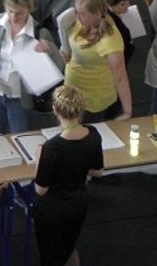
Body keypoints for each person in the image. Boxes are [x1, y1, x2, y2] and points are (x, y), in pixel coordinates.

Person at [32, 85, 104, 266]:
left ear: (55, 110)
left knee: (51, 253)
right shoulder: (93, 135)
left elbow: (40, 189)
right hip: (78, 203)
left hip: (53, 210)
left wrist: (38, 161)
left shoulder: (50, 148)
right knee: (69, 246)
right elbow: (98, 171)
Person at [0, 0, 58, 134]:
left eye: (19, 13)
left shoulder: (40, 33)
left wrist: (49, 49)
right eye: (10, 11)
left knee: (20, 140)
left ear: (29, 9)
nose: (13, 17)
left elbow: (60, 65)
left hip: (21, 99)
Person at [58, 0, 133, 121]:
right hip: (70, 92)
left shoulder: (110, 41)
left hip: (92, 102)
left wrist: (127, 111)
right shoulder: (81, 20)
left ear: (98, 14)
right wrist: (64, 49)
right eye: (76, 11)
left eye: (82, 14)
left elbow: (120, 77)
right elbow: (73, 42)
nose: (77, 16)